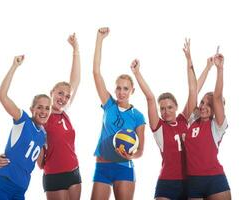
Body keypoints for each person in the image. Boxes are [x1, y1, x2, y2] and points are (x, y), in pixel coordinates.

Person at [0, 33, 82, 200]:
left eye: (66, 96)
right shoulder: (42, 118)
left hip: (74, 173)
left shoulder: (64, 113)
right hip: (54, 175)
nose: (63, 98)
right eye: (59, 94)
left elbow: (76, 80)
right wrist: (5, 157)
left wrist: (76, 49)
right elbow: (24, 138)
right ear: (51, 93)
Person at [131, 39, 197, 200]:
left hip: (190, 180)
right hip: (167, 181)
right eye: (162, 108)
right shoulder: (159, 127)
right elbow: (150, 98)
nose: (165, 111)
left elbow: (193, 90)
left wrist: (189, 60)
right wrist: (137, 73)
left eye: (169, 107)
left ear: (176, 107)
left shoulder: (183, 120)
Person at [0, 55, 51, 200]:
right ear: (32, 109)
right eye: (39, 107)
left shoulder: (43, 135)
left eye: (47, 108)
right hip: (3, 185)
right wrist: (14, 66)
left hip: (20, 190)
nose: (43, 111)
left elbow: (40, 163)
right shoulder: (23, 120)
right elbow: (2, 96)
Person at [91, 27, 146, 200]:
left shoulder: (138, 116)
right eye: (118, 88)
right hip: (102, 166)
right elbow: (96, 73)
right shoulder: (109, 105)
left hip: (124, 167)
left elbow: (140, 150)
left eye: (125, 89)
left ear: (132, 91)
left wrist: (132, 154)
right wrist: (99, 39)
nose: (121, 92)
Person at [185, 53, 231, 200]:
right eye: (203, 102)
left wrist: (219, 69)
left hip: (215, 180)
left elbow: (217, 97)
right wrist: (206, 67)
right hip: (193, 181)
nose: (203, 106)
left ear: (215, 109)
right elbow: (193, 90)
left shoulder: (217, 126)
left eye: (209, 105)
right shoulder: (193, 119)